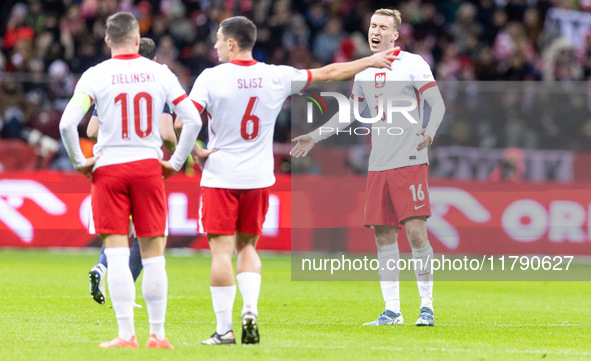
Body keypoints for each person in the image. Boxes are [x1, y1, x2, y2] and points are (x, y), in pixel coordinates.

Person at [181, 15, 397, 345]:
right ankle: (250, 311)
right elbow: (327, 74)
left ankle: (224, 330)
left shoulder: (210, 79)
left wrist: (195, 151)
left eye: (217, 40)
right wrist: (372, 60)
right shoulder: (276, 76)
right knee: (248, 247)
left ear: (231, 43)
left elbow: (186, 121)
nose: (214, 46)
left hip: (220, 175)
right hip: (258, 177)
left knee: (221, 252)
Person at [291, 8, 446, 327]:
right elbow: (349, 114)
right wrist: (315, 136)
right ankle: (393, 311)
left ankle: (427, 307)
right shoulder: (363, 72)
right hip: (379, 165)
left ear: (395, 35)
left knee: (416, 234)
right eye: (373, 25)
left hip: (410, 161)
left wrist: (429, 132)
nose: (375, 31)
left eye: (382, 27)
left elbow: (437, 103)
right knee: (383, 236)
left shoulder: (413, 63)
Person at [59, 12, 202, 348]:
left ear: (108, 41)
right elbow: (192, 119)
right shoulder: (160, 73)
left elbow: (68, 124)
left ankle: (126, 335)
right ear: (138, 39)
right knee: (154, 256)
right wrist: (177, 162)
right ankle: (159, 335)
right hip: (148, 167)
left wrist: (81, 162)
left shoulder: (95, 75)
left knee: (118, 254)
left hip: (109, 169)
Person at [86, 37, 177, 306]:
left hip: (109, 166)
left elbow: (90, 131)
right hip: (144, 166)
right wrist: (177, 153)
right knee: (149, 234)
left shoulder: (107, 81)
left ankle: (102, 270)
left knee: (116, 230)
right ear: (155, 60)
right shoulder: (159, 84)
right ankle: (135, 306)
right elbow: (166, 133)